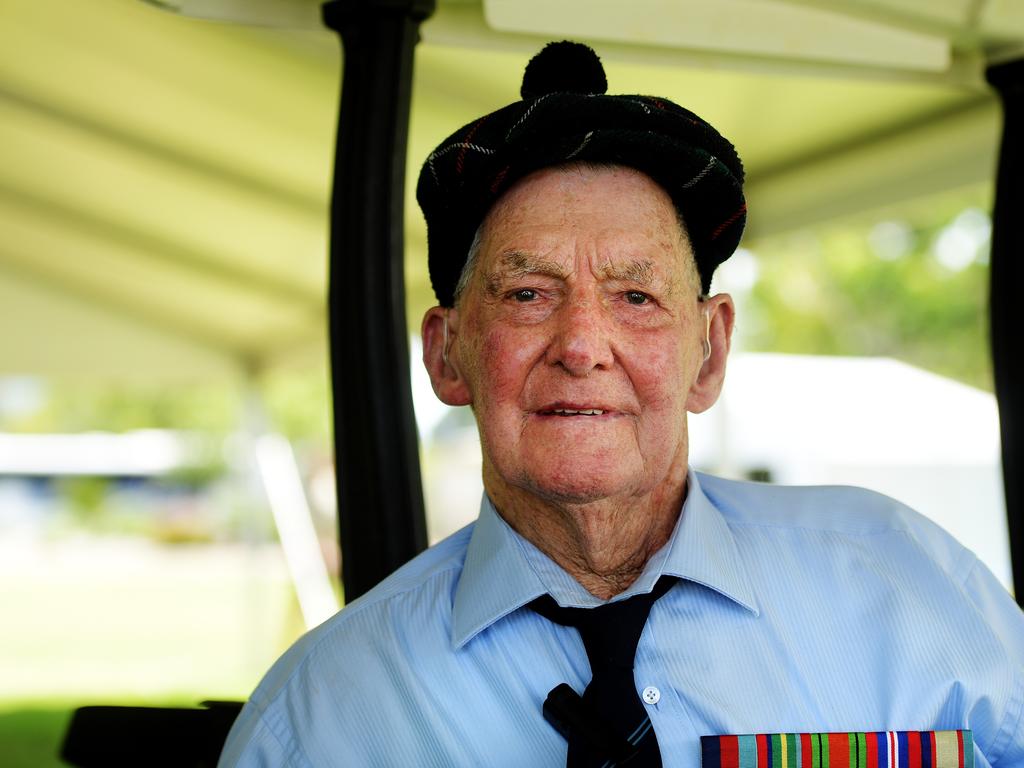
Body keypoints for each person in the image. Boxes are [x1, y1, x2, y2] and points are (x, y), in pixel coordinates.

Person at [219, 42, 1024, 767]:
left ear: (708, 353)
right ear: (446, 354)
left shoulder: (906, 585)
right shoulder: (316, 719)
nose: (582, 344)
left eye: (636, 296)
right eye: (529, 293)